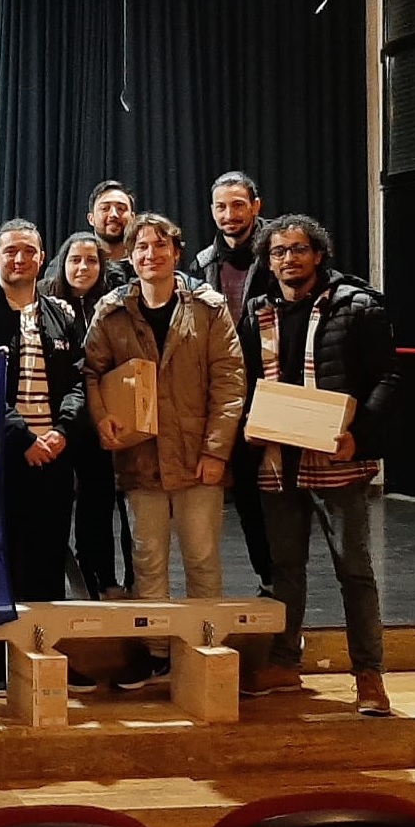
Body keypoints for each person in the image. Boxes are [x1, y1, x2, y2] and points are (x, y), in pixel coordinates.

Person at [237, 215, 397, 716]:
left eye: (299, 249)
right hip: (277, 461)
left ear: (319, 254)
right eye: (279, 251)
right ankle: (285, 663)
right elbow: (243, 382)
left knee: (355, 571)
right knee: (284, 570)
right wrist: (246, 422)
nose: (290, 258)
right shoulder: (258, 312)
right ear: (268, 260)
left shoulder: (358, 307)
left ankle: (368, 676)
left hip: (337, 462)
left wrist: (359, 437)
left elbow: (389, 379)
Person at [85, 213, 244, 690]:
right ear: (129, 257)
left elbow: (231, 381)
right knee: (148, 560)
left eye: (159, 246)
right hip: (140, 459)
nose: (150, 255)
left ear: (176, 252)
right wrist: (102, 418)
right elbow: (91, 372)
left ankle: (205, 650)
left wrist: (217, 451)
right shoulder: (110, 313)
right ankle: (157, 656)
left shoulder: (208, 307)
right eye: (140, 249)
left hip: (199, 458)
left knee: (201, 558)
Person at [0, 219, 96, 694]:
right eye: (9, 252)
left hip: (55, 457)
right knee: (2, 562)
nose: (19, 260)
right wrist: (22, 438)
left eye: (28, 252)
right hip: (2, 461)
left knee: (48, 561)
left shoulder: (62, 315)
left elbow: (78, 382)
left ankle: (46, 656)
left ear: (40, 257)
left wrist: (59, 433)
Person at [193, 171, 277, 596]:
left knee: (280, 500)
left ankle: (285, 585)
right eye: (221, 207)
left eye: (238, 205)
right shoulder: (203, 263)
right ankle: (268, 579)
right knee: (245, 494)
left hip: (272, 390)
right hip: (225, 392)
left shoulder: (278, 252)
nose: (229, 215)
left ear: (255, 206)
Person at [40, 231, 134, 602]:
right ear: (62, 263)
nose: (83, 267)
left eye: (91, 261)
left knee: (98, 500)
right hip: (58, 420)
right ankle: (56, 586)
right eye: (75, 260)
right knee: (56, 505)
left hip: (99, 416)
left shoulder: (111, 307)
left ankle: (101, 577)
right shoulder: (44, 302)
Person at [87, 180, 138, 290]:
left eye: (121, 209)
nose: (114, 215)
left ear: (133, 218)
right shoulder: (73, 264)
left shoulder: (146, 261)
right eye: (105, 208)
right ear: (91, 219)